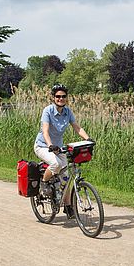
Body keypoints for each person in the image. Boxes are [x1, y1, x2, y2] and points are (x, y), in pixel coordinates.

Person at [34, 84, 92, 218]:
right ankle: (44, 183)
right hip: (43, 146)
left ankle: (67, 205)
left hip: (58, 148)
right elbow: (45, 131)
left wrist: (88, 138)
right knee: (56, 164)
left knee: (65, 177)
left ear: (66, 98)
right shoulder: (47, 111)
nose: (61, 98)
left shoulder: (68, 112)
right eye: (58, 96)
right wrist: (50, 145)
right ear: (53, 98)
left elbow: (77, 127)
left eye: (63, 96)